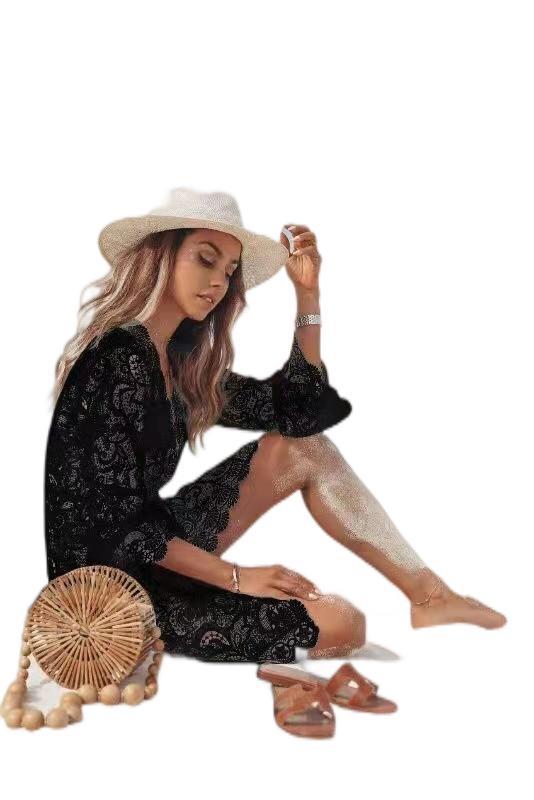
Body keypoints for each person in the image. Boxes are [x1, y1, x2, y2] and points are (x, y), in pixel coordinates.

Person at [44, 187, 506, 667]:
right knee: (343, 622)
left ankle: (430, 596)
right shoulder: (115, 359)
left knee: (303, 448)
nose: (219, 282)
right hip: (106, 589)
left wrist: (308, 296)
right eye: (205, 259)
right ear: (161, 256)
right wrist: (236, 576)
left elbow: (299, 413)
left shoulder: (179, 365)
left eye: (229, 271)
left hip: (153, 544)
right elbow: (114, 525)